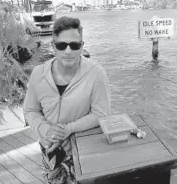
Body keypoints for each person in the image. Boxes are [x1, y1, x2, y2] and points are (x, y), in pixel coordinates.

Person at [23, 16, 111, 184]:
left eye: (74, 45)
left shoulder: (96, 73)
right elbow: (30, 110)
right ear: (53, 47)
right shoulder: (38, 74)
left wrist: (69, 129)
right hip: (49, 148)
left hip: (83, 151)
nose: (68, 51)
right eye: (61, 45)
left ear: (82, 46)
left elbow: (101, 113)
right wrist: (46, 130)